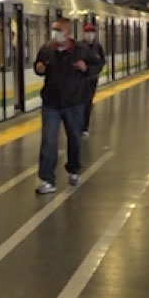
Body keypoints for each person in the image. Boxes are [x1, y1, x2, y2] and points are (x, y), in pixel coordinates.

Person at [34, 17, 94, 195]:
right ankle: (47, 179)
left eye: (58, 29)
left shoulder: (81, 50)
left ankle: (73, 169)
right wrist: (38, 69)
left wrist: (86, 69)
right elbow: (38, 67)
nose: (55, 33)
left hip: (74, 102)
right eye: (53, 29)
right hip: (51, 102)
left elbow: (97, 64)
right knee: (48, 140)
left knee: (74, 137)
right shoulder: (46, 50)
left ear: (68, 32)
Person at [79, 22, 106, 137]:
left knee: (87, 103)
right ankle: (79, 125)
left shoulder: (98, 47)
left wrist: (90, 70)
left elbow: (101, 62)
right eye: (87, 32)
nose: (89, 35)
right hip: (79, 80)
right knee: (80, 103)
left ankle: (84, 126)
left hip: (92, 79)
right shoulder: (78, 46)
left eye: (91, 32)